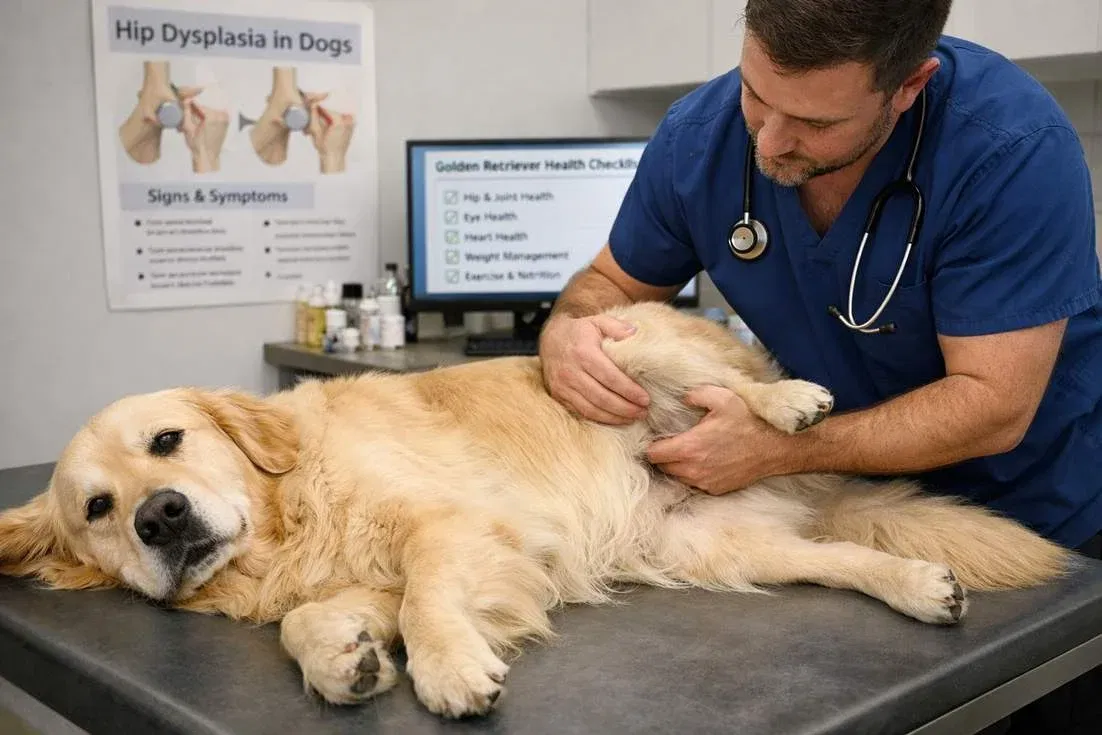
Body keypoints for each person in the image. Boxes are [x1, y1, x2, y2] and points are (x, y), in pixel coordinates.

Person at [537, 1, 1101, 732]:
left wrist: (773, 448)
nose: (769, 141)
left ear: (907, 87)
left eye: (816, 124)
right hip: (839, 518)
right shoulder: (700, 139)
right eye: (756, 95)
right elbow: (608, 283)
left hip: (1032, 517)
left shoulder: (1008, 150)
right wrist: (565, 331)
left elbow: (994, 403)